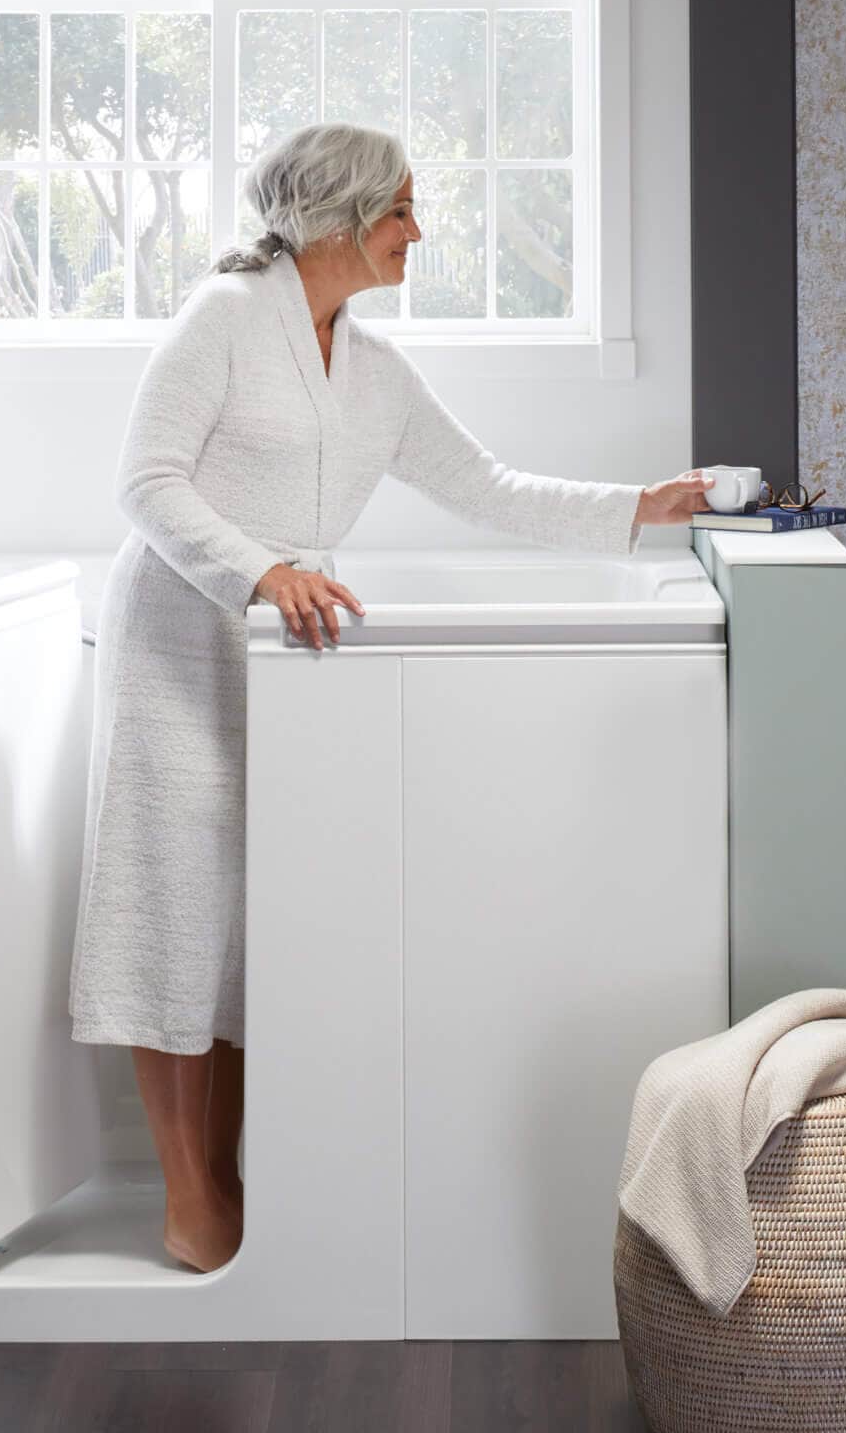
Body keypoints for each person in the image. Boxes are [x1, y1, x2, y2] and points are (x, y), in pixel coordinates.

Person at [70, 121, 714, 1271]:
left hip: (282, 649)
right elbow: (143, 482)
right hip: (183, 636)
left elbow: (487, 485)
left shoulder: (367, 366)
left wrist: (642, 506)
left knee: (252, 916)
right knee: (174, 911)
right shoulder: (223, 318)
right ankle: (188, 1191)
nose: (419, 230)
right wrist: (262, 569)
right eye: (403, 209)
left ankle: (231, 1173)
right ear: (341, 218)